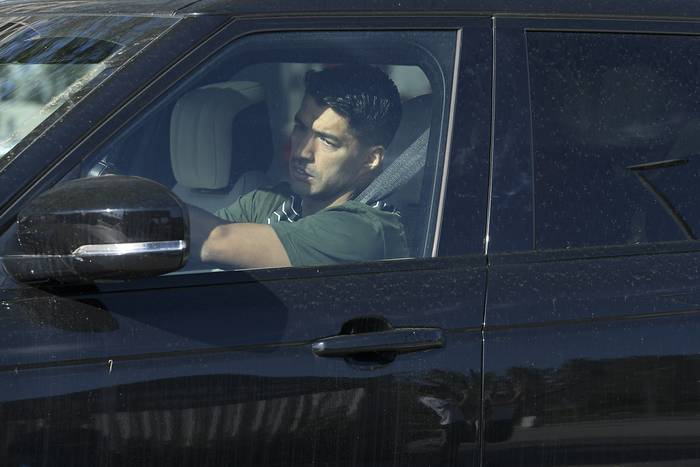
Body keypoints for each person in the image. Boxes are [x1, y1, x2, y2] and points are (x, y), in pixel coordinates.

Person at [189, 64, 408, 269]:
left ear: (370, 160)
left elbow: (214, 240)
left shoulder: (367, 231)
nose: (303, 152)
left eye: (327, 141)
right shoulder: (269, 202)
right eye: (301, 128)